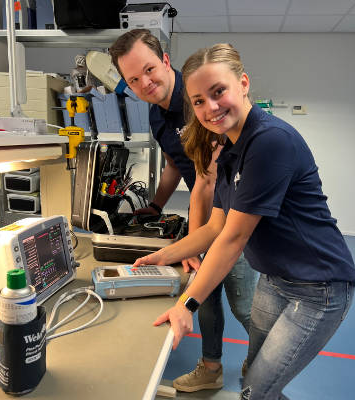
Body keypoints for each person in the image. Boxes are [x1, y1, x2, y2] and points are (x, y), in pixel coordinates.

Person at [133, 43, 355, 399]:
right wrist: (163, 256)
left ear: (243, 83)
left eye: (218, 91)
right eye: (199, 101)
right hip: (275, 278)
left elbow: (233, 238)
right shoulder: (229, 148)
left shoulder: (269, 142)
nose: (210, 107)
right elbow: (214, 228)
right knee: (255, 376)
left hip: (320, 287)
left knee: (256, 390)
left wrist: (187, 303)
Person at [109, 30, 258, 392]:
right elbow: (177, 164)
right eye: (133, 79)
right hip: (207, 213)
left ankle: (263, 366)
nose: (145, 83)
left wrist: (193, 242)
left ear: (165, 60)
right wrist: (156, 204)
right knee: (204, 297)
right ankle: (211, 367)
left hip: (234, 213)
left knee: (244, 305)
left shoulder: (198, 100)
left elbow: (207, 180)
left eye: (149, 69)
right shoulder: (156, 115)